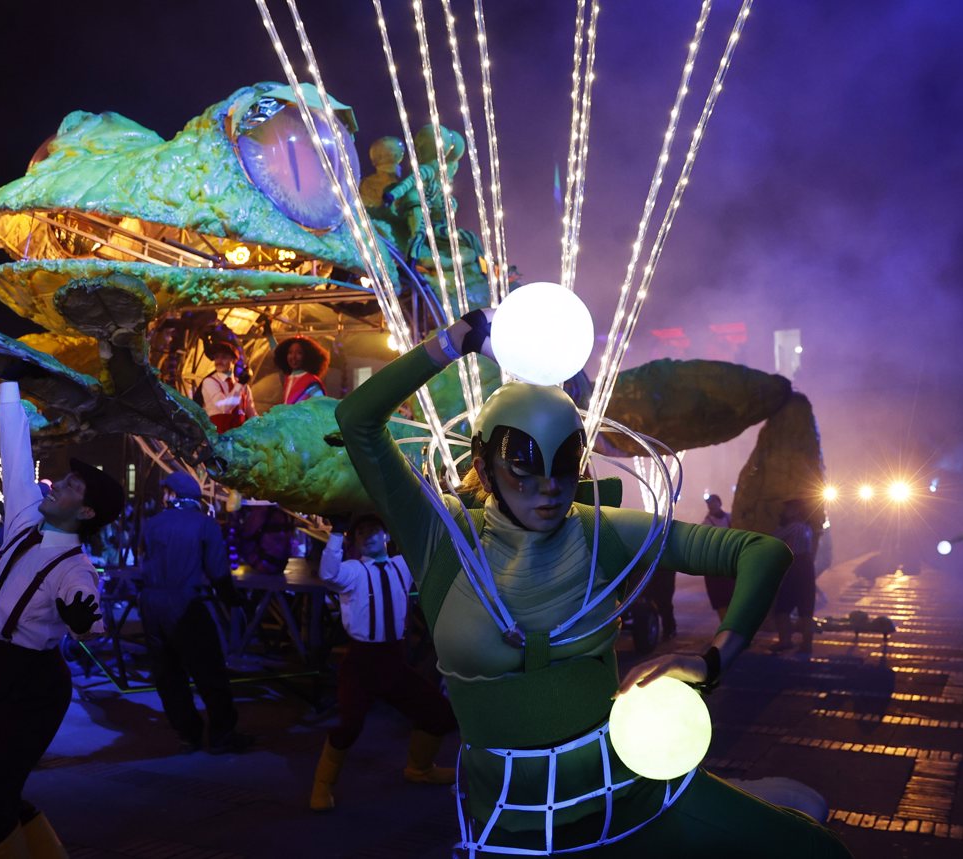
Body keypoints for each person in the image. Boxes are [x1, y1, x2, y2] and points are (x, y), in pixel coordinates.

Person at [334, 309, 850, 856]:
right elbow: (358, 420)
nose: (550, 490)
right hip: (505, 822)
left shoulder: (601, 530)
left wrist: (713, 659)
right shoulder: (442, 538)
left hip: (631, 792)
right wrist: (452, 343)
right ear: (484, 468)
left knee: (816, 852)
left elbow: (762, 550)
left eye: (563, 469)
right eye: (524, 472)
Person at [0, 378, 123, 859]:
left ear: (86, 510)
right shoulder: (26, 516)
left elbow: (93, 626)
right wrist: (7, 379)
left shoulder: (75, 568)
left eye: (72, 486)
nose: (57, 484)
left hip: (33, 685)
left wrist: (82, 624)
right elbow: (14, 447)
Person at [309, 513, 458, 811]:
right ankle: (322, 785)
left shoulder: (401, 566)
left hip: (393, 659)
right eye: (361, 532)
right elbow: (328, 573)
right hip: (362, 663)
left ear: (387, 536)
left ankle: (420, 769)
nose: (368, 535)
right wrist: (336, 533)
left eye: (374, 529)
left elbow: (428, 545)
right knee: (349, 725)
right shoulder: (351, 571)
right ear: (354, 541)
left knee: (438, 713)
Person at [140, 471, 252, 755]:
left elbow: (142, 560)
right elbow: (217, 571)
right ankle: (222, 734)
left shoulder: (151, 524)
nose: (163, 496)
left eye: (166, 492)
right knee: (208, 670)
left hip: (152, 604)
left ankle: (188, 734)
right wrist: (233, 600)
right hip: (186, 604)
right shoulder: (205, 525)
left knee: (168, 674)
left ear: (174, 495)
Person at [772, 499, 817, 656]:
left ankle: (785, 641)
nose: (785, 512)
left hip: (794, 568)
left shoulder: (793, 527)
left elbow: (773, 537)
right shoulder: (807, 528)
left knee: (782, 608)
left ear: (797, 510)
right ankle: (806, 644)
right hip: (807, 567)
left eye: (788, 509)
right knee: (806, 609)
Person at [197, 342, 257, 433]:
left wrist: (264, 426)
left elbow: (252, 413)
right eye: (216, 357)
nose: (219, 361)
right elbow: (224, 408)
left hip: (240, 437)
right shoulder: (209, 382)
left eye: (224, 357)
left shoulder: (243, 385)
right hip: (219, 436)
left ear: (234, 360)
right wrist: (240, 384)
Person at [701, 493, 735, 622]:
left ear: (720, 503)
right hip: (715, 569)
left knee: (732, 600)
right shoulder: (706, 524)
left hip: (730, 567)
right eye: (709, 504)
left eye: (714, 502)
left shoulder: (731, 518)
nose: (711, 506)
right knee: (721, 602)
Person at [273, 335, 329, 404]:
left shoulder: (311, 381)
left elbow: (321, 407)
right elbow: (274, 349)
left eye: (299, 353)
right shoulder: (288, 378)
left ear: (307, 356)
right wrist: (269, 336)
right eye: (290, 352)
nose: (293, 357)